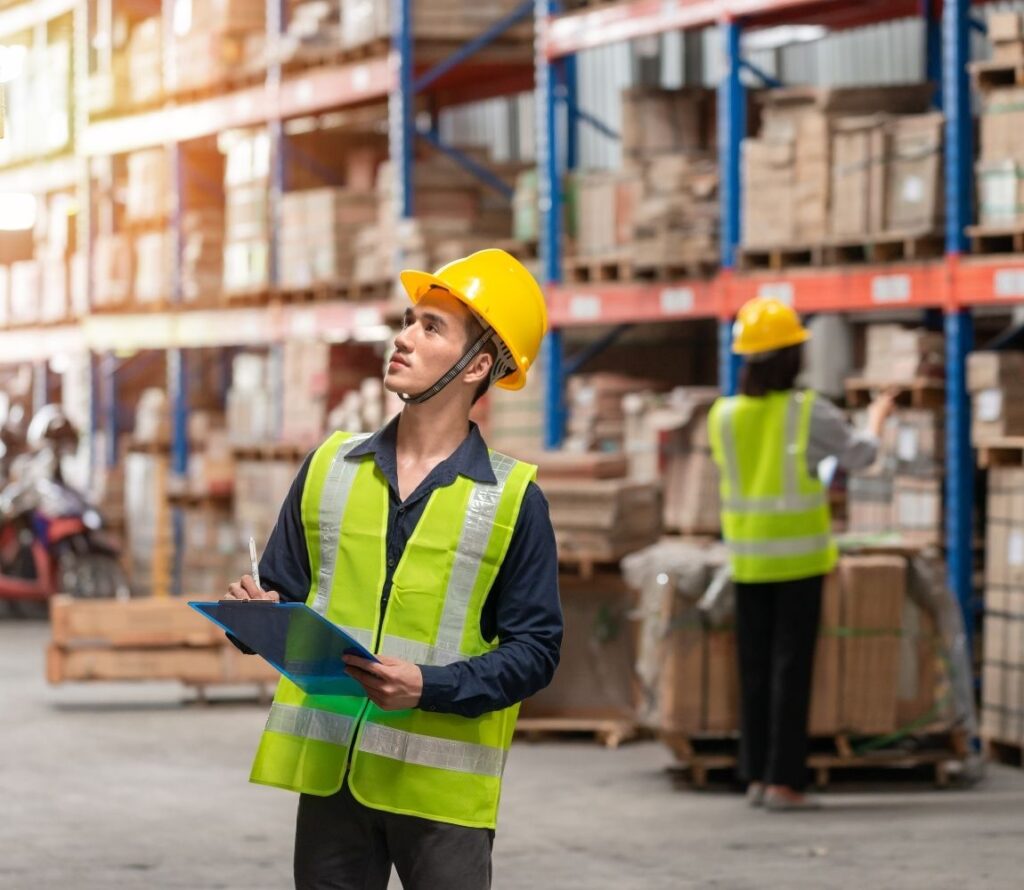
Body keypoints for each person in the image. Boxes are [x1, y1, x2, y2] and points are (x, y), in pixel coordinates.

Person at [224, 248, 562, 889]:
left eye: (431, 327)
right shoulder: (330, 466)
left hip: (439, 795)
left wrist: (427, 686)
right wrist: (253, 619)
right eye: (409, 320)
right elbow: (280, 593)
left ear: (478, 366)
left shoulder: (514, 500)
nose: (403, 338)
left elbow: (537, 651)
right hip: (332, 779)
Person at [708, 297, 894, 812]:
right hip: (798, 564)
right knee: (791, 672)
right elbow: (863, 456)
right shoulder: (808, 413)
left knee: (754, 671)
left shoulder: (722, 416)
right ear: (791, 358)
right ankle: (784, 782)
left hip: (746, 561)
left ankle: (757, 777)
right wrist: (877, 417)